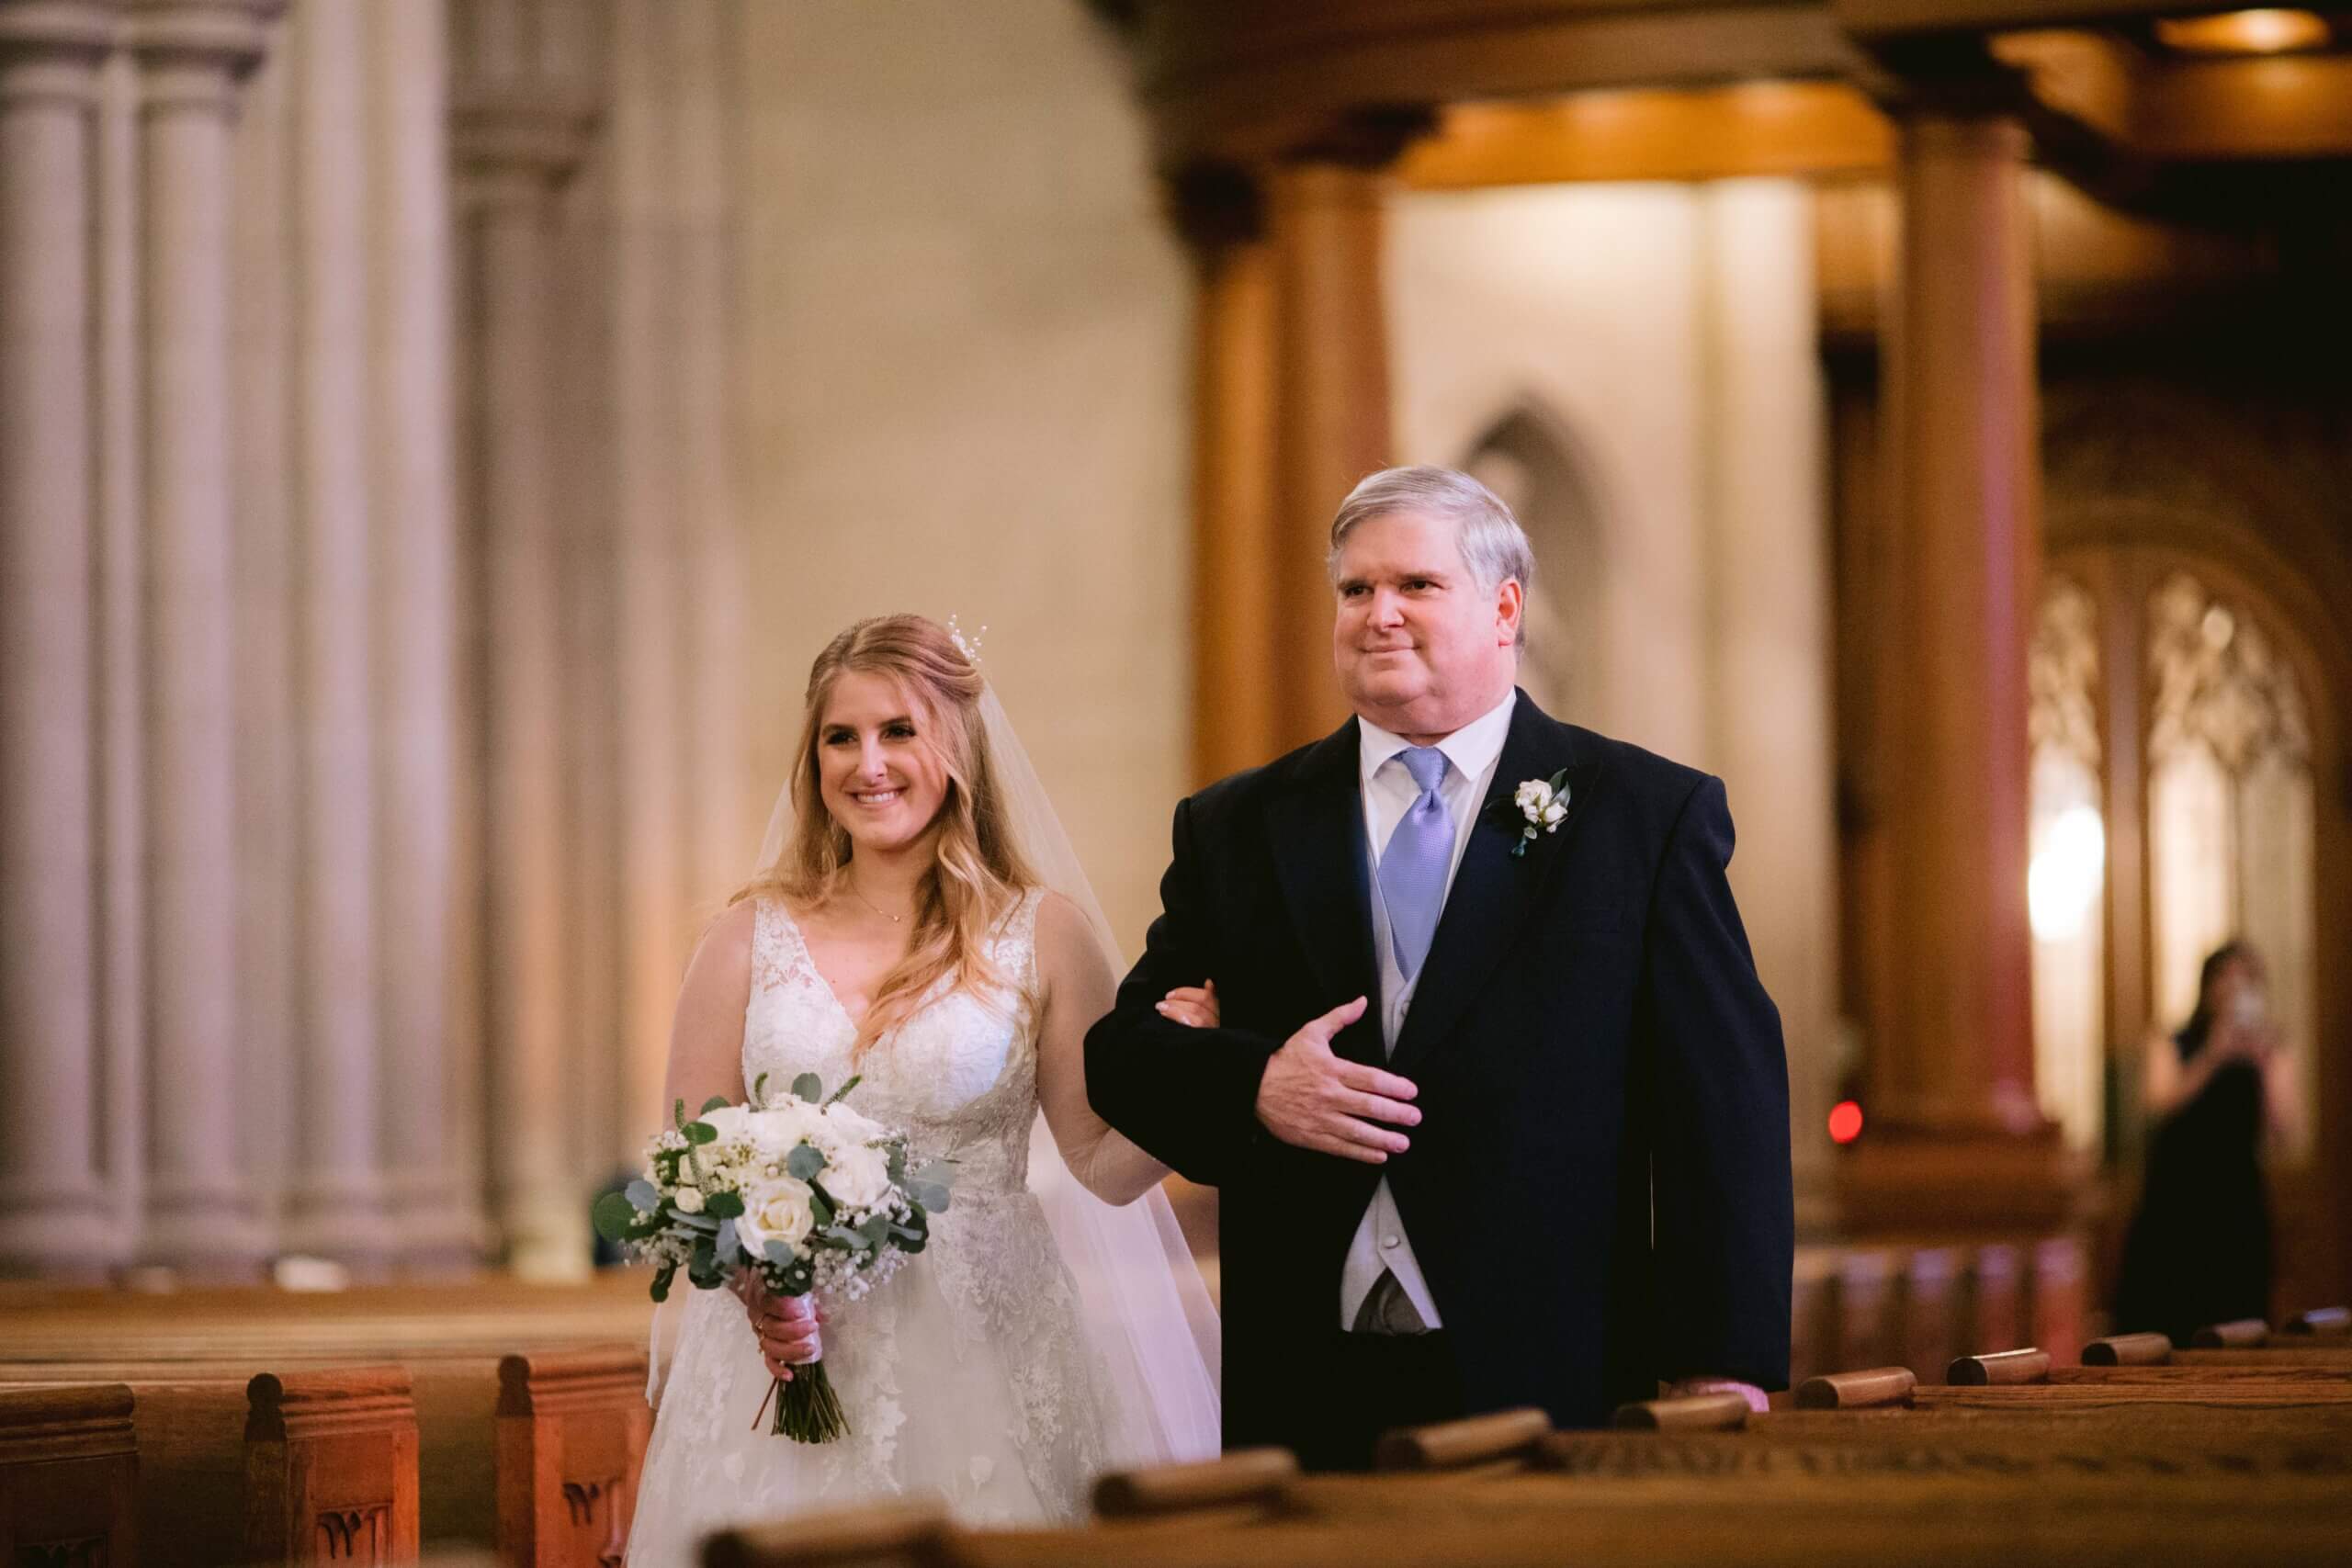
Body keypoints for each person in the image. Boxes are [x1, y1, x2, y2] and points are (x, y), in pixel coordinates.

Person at [1085, 465, 1792, 1469]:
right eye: (1354, 589)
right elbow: (1121, 1055)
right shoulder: (1238, 826)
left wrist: (1720, 1355)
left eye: (1415, 586)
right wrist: (1254, 1086)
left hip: (1554, 1366)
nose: (1378, 614)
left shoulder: (1638, 816)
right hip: (1305, 1374)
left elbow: (1722, 1101)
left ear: (1504, 608)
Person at [626, 615, 1219, 1563]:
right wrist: (757, 1289)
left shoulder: (1043, 933)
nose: (869, 764)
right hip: (784, 1352)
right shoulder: (745, 939)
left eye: (899, 731)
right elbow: (692, 1169)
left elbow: (1101, 1167)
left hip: (987, 1346)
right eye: (841, 737)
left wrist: (1196, 1075)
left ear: (957, 749)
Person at [2113, 941, 2301, 1345]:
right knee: (2165, 1319)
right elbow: (2157, 1104)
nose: (2234, 990)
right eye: (2225, 978)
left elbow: (2285, 1131)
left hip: (2237, 1205)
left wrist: (2263, 1061)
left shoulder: (2268, 1048)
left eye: (2246, 980)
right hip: (2176, 1201)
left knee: (2237, 1323)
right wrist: (2214, 1055)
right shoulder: (2174, 1040)